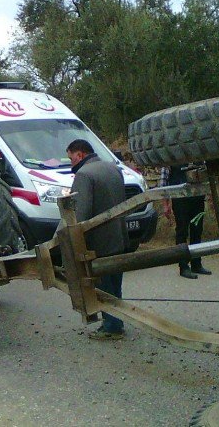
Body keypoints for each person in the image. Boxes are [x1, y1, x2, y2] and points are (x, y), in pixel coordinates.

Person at [66, 139, 129, 340]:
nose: (70, 163)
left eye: (70, 158)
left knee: (103, 286)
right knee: (115, 283)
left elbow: (80, 213)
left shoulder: (84, 175)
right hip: (119, 236)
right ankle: (117, 321)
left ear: (80, 154)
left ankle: (112, 327)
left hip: (99, 241)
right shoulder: (113, 168)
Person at [160, 165, 212, 279]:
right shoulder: (170, 156)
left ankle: (196, 263)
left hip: (197, 198)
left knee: (197, 231)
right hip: (180, 199)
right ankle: (183, 266)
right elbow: (164, 182)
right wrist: (165, 204)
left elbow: (205, 174)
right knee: (182, 231)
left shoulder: (197, 153)